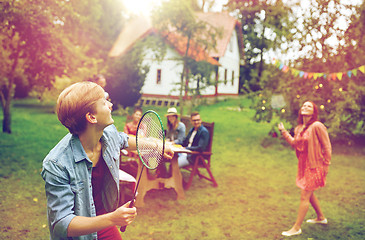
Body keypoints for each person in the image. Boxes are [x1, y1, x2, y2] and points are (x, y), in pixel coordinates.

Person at [41, 81, 173, 240]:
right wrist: (112, 218)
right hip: (78, 234)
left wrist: (154, 146)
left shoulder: (107, 133)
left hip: (103, 222)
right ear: (91, 117)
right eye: (104, 102)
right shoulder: (56, 164)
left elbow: (121, 139)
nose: (110, 105)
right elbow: (62, 223)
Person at [278, 101, 331, 237]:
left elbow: (327, 146)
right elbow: (295, 144)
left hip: (315, 165)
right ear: (300, 110)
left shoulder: (317, 126)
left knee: (304, 196)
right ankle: (321, 217)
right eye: (303, 105)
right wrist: (283, 132)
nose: (305, 107)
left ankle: (296, 228)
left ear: (313, 112)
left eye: (309, 106)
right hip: (303, 165)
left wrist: (326, 164)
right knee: (308, 191)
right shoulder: (299, 128)